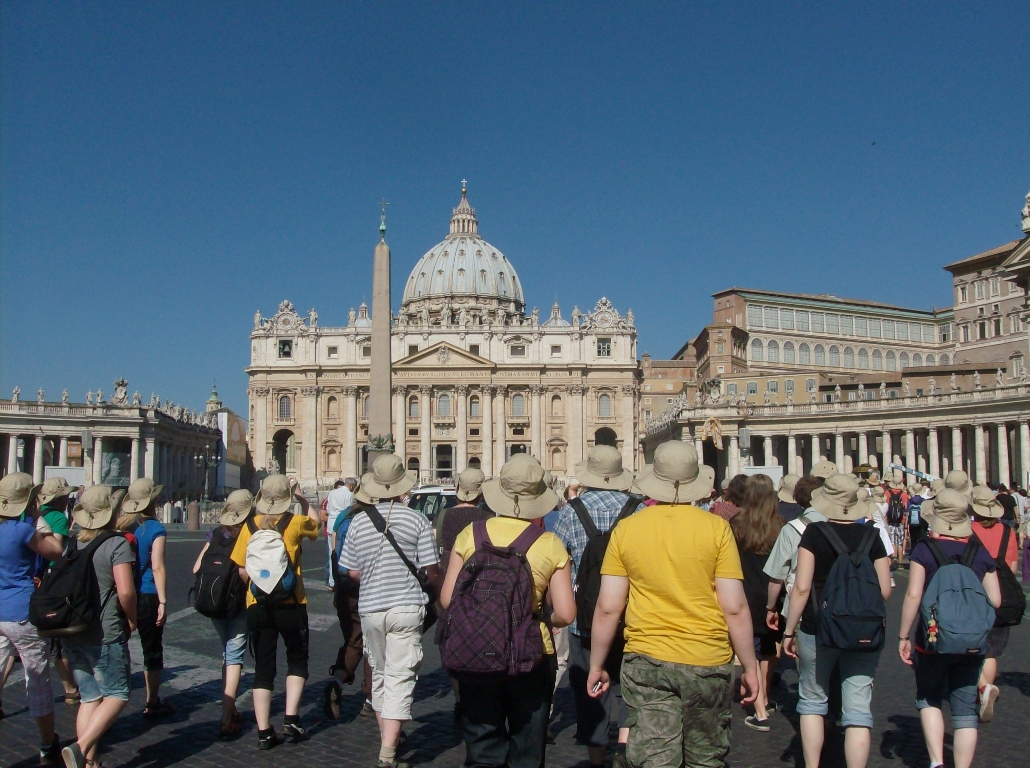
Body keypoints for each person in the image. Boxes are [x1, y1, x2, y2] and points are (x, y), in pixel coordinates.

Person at [587, 440, 759, 768]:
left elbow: (608, 607)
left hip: (646, 658)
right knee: (706, 758)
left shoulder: (626, 529)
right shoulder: (717, 529)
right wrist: (750, 667)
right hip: (706, 658)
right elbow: (734, 607)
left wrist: (597, 664)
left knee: (653, 758)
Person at [441, 454, 576, 768]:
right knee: (527, 751)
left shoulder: (470, 534)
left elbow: (447, 599)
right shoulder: (550, 543)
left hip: (476, 651)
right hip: (530, 655)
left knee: (482, 749)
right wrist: (546, 618)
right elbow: (566, 614)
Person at [781, 474, 891, 768]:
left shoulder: (814, 534)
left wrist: (789, 630)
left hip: (818, 626)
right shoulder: (873, 536)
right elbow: (884, 590)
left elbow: (801, 588)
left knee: (813, 701)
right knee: (857, 708)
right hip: (864, 629)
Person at [339, 454, 442, 768]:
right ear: (402, 487)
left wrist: (375, 572)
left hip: (371, 608)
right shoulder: (416, 519)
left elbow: (351, 571)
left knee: (381, 675)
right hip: (407, 606)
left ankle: (389, 736)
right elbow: (431, 569)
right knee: (400, 676)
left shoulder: (357, 522)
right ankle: (387, 752)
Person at [552, 445, 643, 767]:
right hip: (633, 617)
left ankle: (597, 759)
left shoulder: (570, 511)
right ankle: (625, 749)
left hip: (585, 620)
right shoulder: (640, 510)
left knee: (591, 693)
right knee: (630, 690)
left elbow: (557, 565)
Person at [898, 489, 1001, 768]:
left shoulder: (924, 549)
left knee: (929, 696)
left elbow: (913, 596)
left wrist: (903, 635)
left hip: (931, 637)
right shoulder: (979, 552)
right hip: (971, 640)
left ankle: (936, 761)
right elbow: (996, 599)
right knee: (966, 708)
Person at [230, 474, 320, 750]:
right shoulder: (295, 522)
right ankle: (291, 717)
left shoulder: (249, 525)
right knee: (296, 659)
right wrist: (303, 499)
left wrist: (261, 585)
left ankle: (264, 731)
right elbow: (317, 527)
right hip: (292, 602)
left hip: (258, 605)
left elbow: (241, 567)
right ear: (287, 499)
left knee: (263, 667)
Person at [60, 485, 138, 768]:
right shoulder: (116, 544)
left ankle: (89, 763)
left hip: (74, 630)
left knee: (90, 697)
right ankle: (80, 748)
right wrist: (132, 619)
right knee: (118, 694)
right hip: (104, 630)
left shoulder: (72, 542)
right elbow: (126, 591)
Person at [0, 473, 64, 765]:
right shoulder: (21, 530)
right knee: (37, 679)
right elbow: (56, 550)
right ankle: (47, 744)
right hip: (22, 612)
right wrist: (38, 517)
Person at [191, 489, 253, 737]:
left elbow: (196, 567)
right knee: (235, 654)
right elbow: (243, 573)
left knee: (226, 652)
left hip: (213, 603)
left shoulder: (214, 533)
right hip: (237, 602)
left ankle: (230, 707)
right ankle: (227, 715)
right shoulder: (249, 534)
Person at [433, 468, 493, 721]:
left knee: (450, 637)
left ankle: (459, 698)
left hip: (450, 576)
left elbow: (439, 543)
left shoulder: (444, 515)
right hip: (480, 579)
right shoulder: (487, 516)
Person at [730, 474, 785, 731]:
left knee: (750, 651)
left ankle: (760, 710)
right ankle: (764, 697)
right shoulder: (781, 525)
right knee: (768, 649)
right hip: (773, 594)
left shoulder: (736, 523)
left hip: (746, 592)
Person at [117, 477, 173, 717]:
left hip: (122, 592)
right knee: (151, 649)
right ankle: (152, 701)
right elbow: (158, 566)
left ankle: (111, 696)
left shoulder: (120, 526)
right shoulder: (155, 529)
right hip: (148, 593)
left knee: (117, 646)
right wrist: (163, 600)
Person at [325, 482, 376, 720]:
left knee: (353, 639)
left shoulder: (344, 515)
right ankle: (370, 698)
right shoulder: (373, 519)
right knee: (372, 644)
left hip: (344, 588)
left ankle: (337, 681)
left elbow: (334, 550)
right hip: (366, 587)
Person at [969, 485, 1018, 722]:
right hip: (1002, 596)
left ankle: (982, 688)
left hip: (974, 595)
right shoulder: (1008, 532)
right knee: (991, 651)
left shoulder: (968, 530)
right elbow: (1012, 567)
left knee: (969, 647)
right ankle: (986, 692)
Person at [36, 477, 83, 705]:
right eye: (66, 496)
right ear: (60, 498)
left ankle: (70, 687)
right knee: (59, 634)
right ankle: (70, 687)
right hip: (53, 580)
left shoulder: (34, 514)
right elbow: (57, 552)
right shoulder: (57, 518)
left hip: (33, 577)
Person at [764, 475, 826, 636]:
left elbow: (776, 576)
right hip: (838, 603)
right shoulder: (837, 524)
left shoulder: (791, 529)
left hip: (801, 607)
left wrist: (771, 607)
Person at [325, 477, 357, 590]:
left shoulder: (332, 493)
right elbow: (348, 511)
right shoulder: (349, 495)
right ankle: (343, 579)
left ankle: (331, 581)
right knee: (344, 553)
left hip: (331, 523)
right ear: (352, 486)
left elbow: (328, 509)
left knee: (332, 554)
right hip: (342, 524)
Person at [907, 481, 929, 550]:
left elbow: (907, 513)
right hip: (921, 523)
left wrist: (906, 527)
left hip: (912, 524)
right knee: (921, 541)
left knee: (913, 541)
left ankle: (913, 555)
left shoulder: (909, 501)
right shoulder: (924, 501)